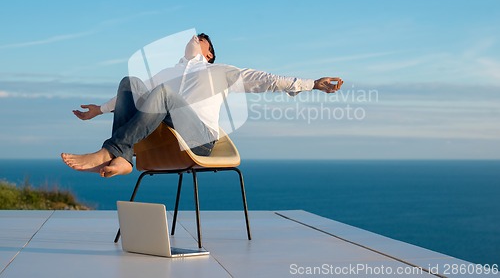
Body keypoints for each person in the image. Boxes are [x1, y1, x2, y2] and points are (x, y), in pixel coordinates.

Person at [61, 33, 343, 178]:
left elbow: (266, 80)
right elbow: (129, 97)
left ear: (209, 53)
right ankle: (123, 157)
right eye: (195, 36)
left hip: (199, 140)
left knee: (161, 93)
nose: (195, 38)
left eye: (203, 40)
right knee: (129, 82)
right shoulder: (167, 74)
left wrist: (312, 83)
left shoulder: (220, 71)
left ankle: (110, 151)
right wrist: (99, 110)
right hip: (167, 135)